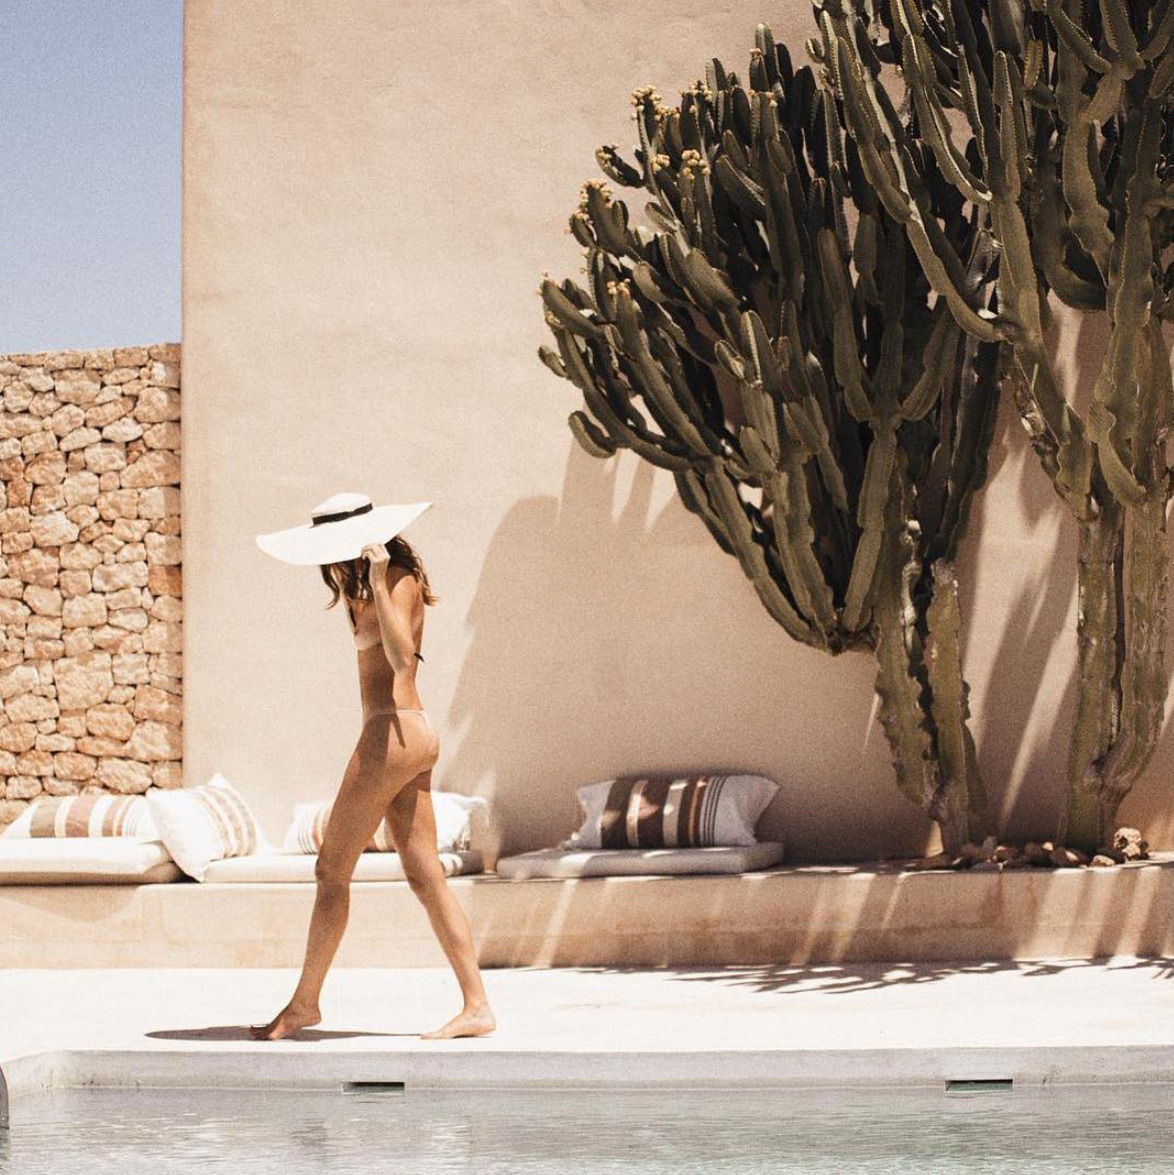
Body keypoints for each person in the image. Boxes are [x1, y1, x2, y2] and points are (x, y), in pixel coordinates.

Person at [250, 491, 495, 1041]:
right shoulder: (358, 588)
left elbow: (404, 660)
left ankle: (304, 1005)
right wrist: (368, 587)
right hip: (404, 734)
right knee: (425, 875)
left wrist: (381, 581)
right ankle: (477, 1006)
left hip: (393, 733)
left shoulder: (396, 580)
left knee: (330, 870)